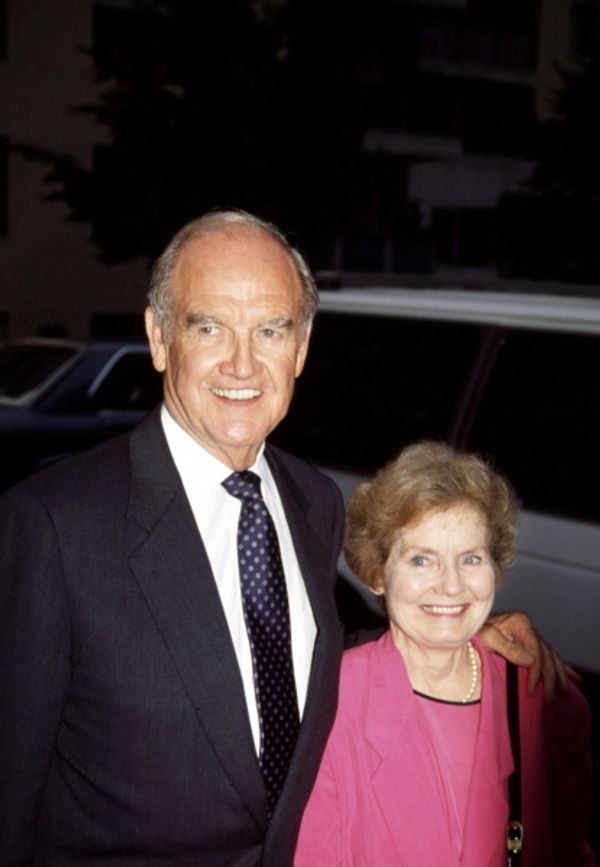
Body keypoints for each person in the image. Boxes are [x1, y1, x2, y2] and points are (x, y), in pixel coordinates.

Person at [0, 210, 566, 866]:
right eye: (209, 325)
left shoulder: (311, 499)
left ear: (300, 348)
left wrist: (456, 628)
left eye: (271, 329)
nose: (242, 362)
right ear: (158, 338)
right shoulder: (52, 524)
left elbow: (292, 652)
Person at [295, 441, 594, 867]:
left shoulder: (544, 705)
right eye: (421, 560)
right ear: (377, 573)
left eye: (470, 559)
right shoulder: (331, 702)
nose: (451, 586)